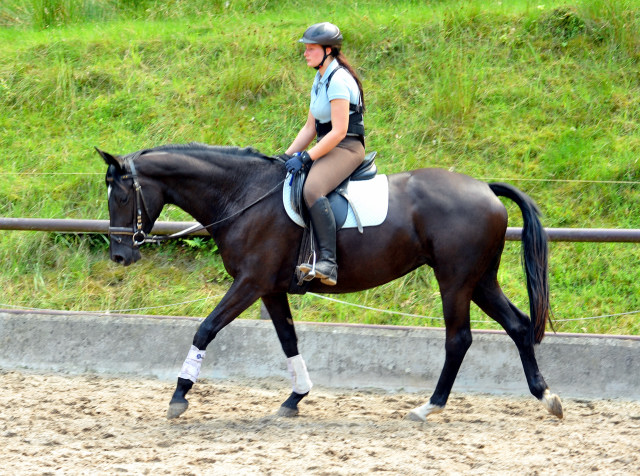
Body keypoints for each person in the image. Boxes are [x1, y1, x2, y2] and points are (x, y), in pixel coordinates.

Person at [283, 22, 366, 286]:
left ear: (328, 50)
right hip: (328, 146)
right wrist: (286, 157)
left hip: (347, 148)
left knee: (312, 188)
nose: (305, 53)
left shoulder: (339, 79)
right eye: (305, 49)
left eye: (311, 49)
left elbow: (340, 131)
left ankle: (328, 262)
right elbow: (310, 128)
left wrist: (306, 158)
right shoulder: (320, 79)